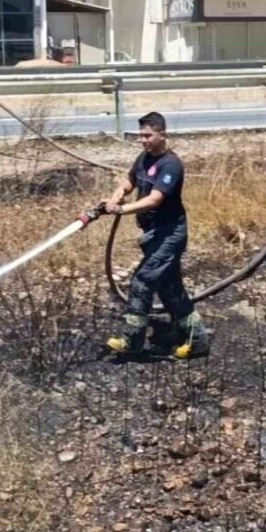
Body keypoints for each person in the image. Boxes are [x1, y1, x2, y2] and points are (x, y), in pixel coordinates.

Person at [102, 112, 209, 358]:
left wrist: (121, 209)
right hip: (153, 233)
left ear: (163, 134)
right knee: (170, 287)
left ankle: (132, 341)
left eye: (148, 136)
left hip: (170, 234)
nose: (143, 140)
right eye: (140, 136)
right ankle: (197, 340)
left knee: (143, 281)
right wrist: (118, 194)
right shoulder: (144, 158)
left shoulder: (170, 165)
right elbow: (130, 181)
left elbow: (154, 199)